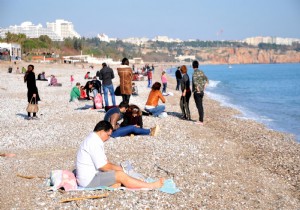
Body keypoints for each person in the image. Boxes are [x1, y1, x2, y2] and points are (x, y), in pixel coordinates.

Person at [75, 120, 164, 189]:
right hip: (88, 181)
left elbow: (105, 162)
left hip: (89, 177)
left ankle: (120, 182)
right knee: (120, 175)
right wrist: (121, 171)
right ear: (102, 131)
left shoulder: (93, 139)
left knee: (119, 172)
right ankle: (150, 186)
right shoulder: (93, 142)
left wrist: (119, 169)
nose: (108, 138)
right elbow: (103, 166)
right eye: (108, 135)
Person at [192, 60, 209, 125]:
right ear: (198, 65)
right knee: (200, 106)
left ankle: (201, 121)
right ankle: (201, 119)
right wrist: (204, 87)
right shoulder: (201, 72)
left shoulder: (194, 73)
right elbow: (206, 79)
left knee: (199, 106)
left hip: (197, 92)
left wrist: (198, 89)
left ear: (193, 66)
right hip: (202, 92)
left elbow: (195, 82)